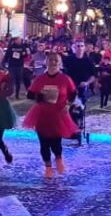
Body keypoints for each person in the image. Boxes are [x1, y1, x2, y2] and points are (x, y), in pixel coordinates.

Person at [26, 52, 79, 180]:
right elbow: (30, 94)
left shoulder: (65, 79)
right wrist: (41, 96)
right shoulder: (40, 79)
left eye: (56, 60)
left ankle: (59, 159)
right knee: (44, 143)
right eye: (50, 60)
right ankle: (48, 167)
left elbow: (73, 93)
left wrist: (68, 104)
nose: (53, 62)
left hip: (58, 115)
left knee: (56, 142)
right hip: (42, 114)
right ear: (46, 62)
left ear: (60, 63)